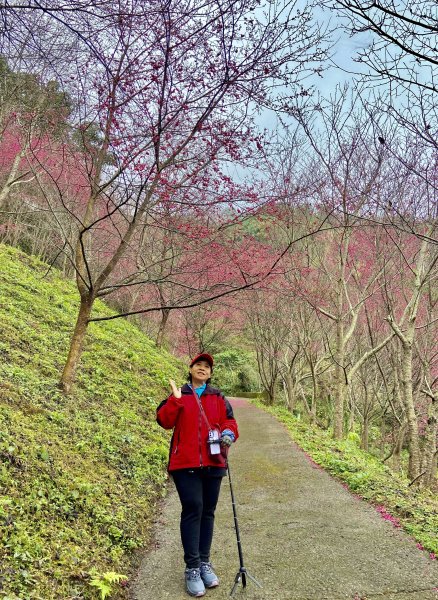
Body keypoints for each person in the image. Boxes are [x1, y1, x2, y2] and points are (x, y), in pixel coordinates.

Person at [156, 352, 239, 597]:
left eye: (207, 367)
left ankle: (204, 562)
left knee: (208, 512)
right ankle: (192, 567)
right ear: (190, 369)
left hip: (214, 462)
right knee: (193, 508)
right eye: (198, 365)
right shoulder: (179, 394)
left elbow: (230, 422)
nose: (202, 369)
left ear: (211, 374)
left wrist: (228, 434)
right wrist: (176, 400)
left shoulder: (218, 397)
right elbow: (164, 421)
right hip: (185, 463)